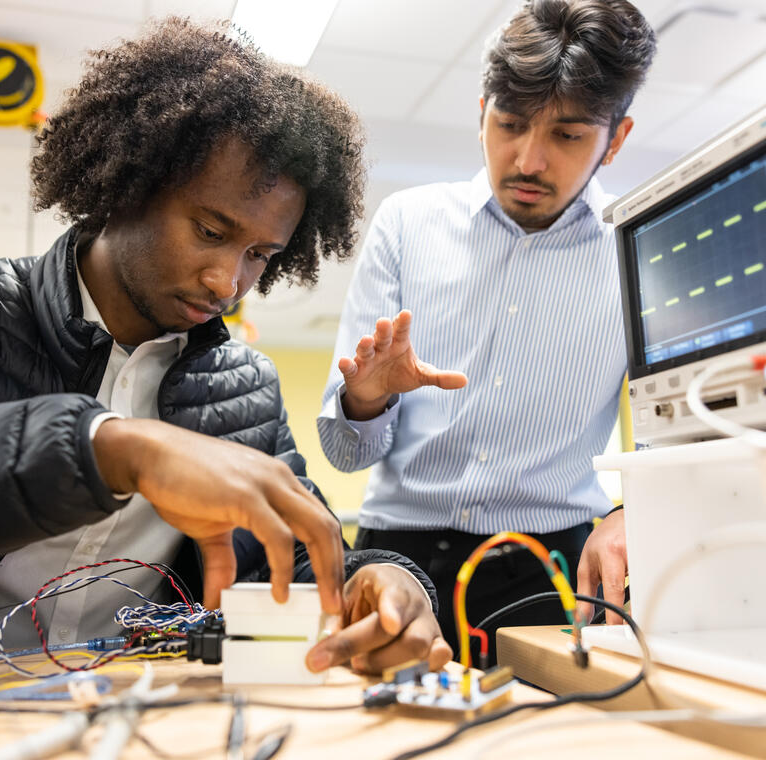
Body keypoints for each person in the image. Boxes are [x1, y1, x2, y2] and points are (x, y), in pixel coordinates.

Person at [0, 17, 451, 675]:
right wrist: (110, 448)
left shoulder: (243, 386)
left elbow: (299, 552)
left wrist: (388, 584)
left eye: (259, 254)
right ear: (127, 186)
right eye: (208, 230)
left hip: (139, 718)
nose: (228, 281)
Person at [317, 0, 657, 655]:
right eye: (511, 125)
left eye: (568, 135)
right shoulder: (406, 224)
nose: (529, 160)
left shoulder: (635, 245)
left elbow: (685, 423)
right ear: (481, 116)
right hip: (397, 555)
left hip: (555, 564)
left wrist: (632, 509)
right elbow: (346, 454)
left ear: (615, 139)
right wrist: (367, 398)